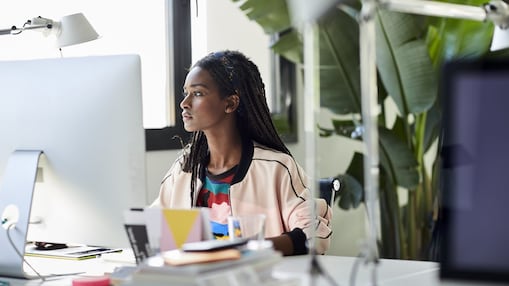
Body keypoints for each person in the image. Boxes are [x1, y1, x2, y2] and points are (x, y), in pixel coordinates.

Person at [151, 50, 332, 255]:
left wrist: (247, 250)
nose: (184, 103)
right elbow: (153, 226)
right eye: (186, 93)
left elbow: (314, 234)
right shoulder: (184, 168)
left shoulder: (277, 168)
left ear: (230, 103)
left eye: (198, 93)